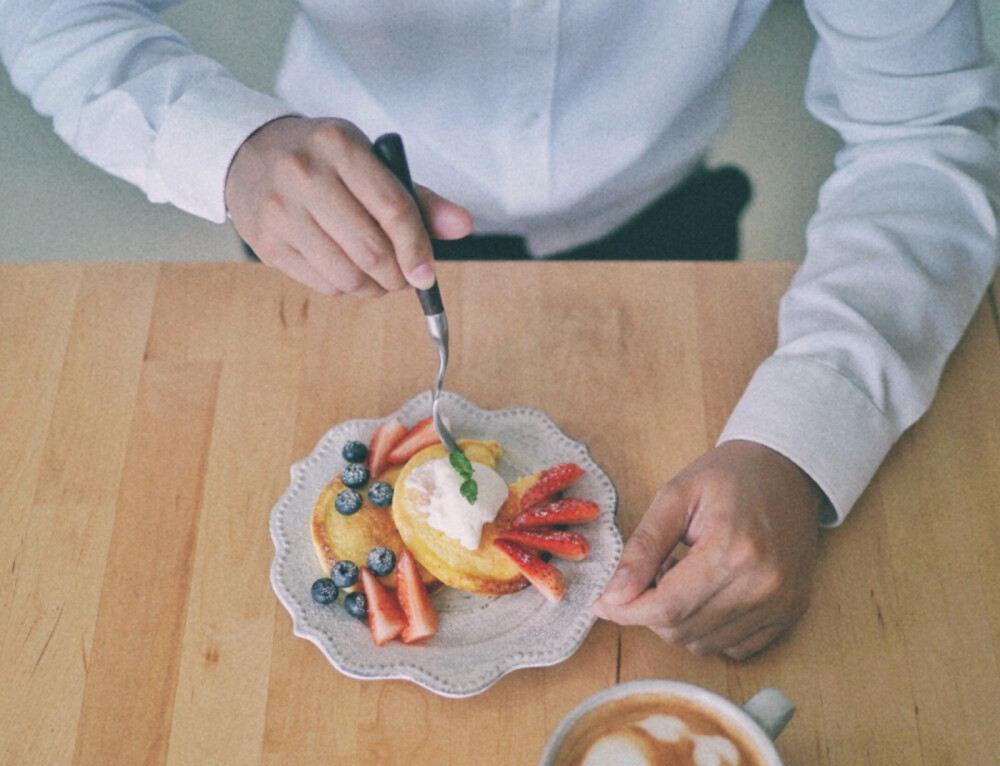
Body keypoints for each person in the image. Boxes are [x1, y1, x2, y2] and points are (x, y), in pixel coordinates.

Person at [3, 1, 998, 659]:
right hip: (324, 228)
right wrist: (227, 149)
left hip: (664, 237)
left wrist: (802, 439)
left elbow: (926, 127)